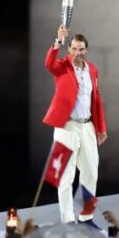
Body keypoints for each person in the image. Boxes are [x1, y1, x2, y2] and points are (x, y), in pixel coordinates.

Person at [43, 25, 108, 224]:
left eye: (81, 49)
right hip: (66, 128)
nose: (77, 53)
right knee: (65, 176)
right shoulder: (62, 66)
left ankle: (86, 217)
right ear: (69, 48)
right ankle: (68, 220)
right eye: (73, 49)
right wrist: (57, 41)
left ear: (86, 50)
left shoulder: (93, 70)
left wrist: (101, 128)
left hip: (87, 126)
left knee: (91, 173)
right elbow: (49, 64)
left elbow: (96, 99)